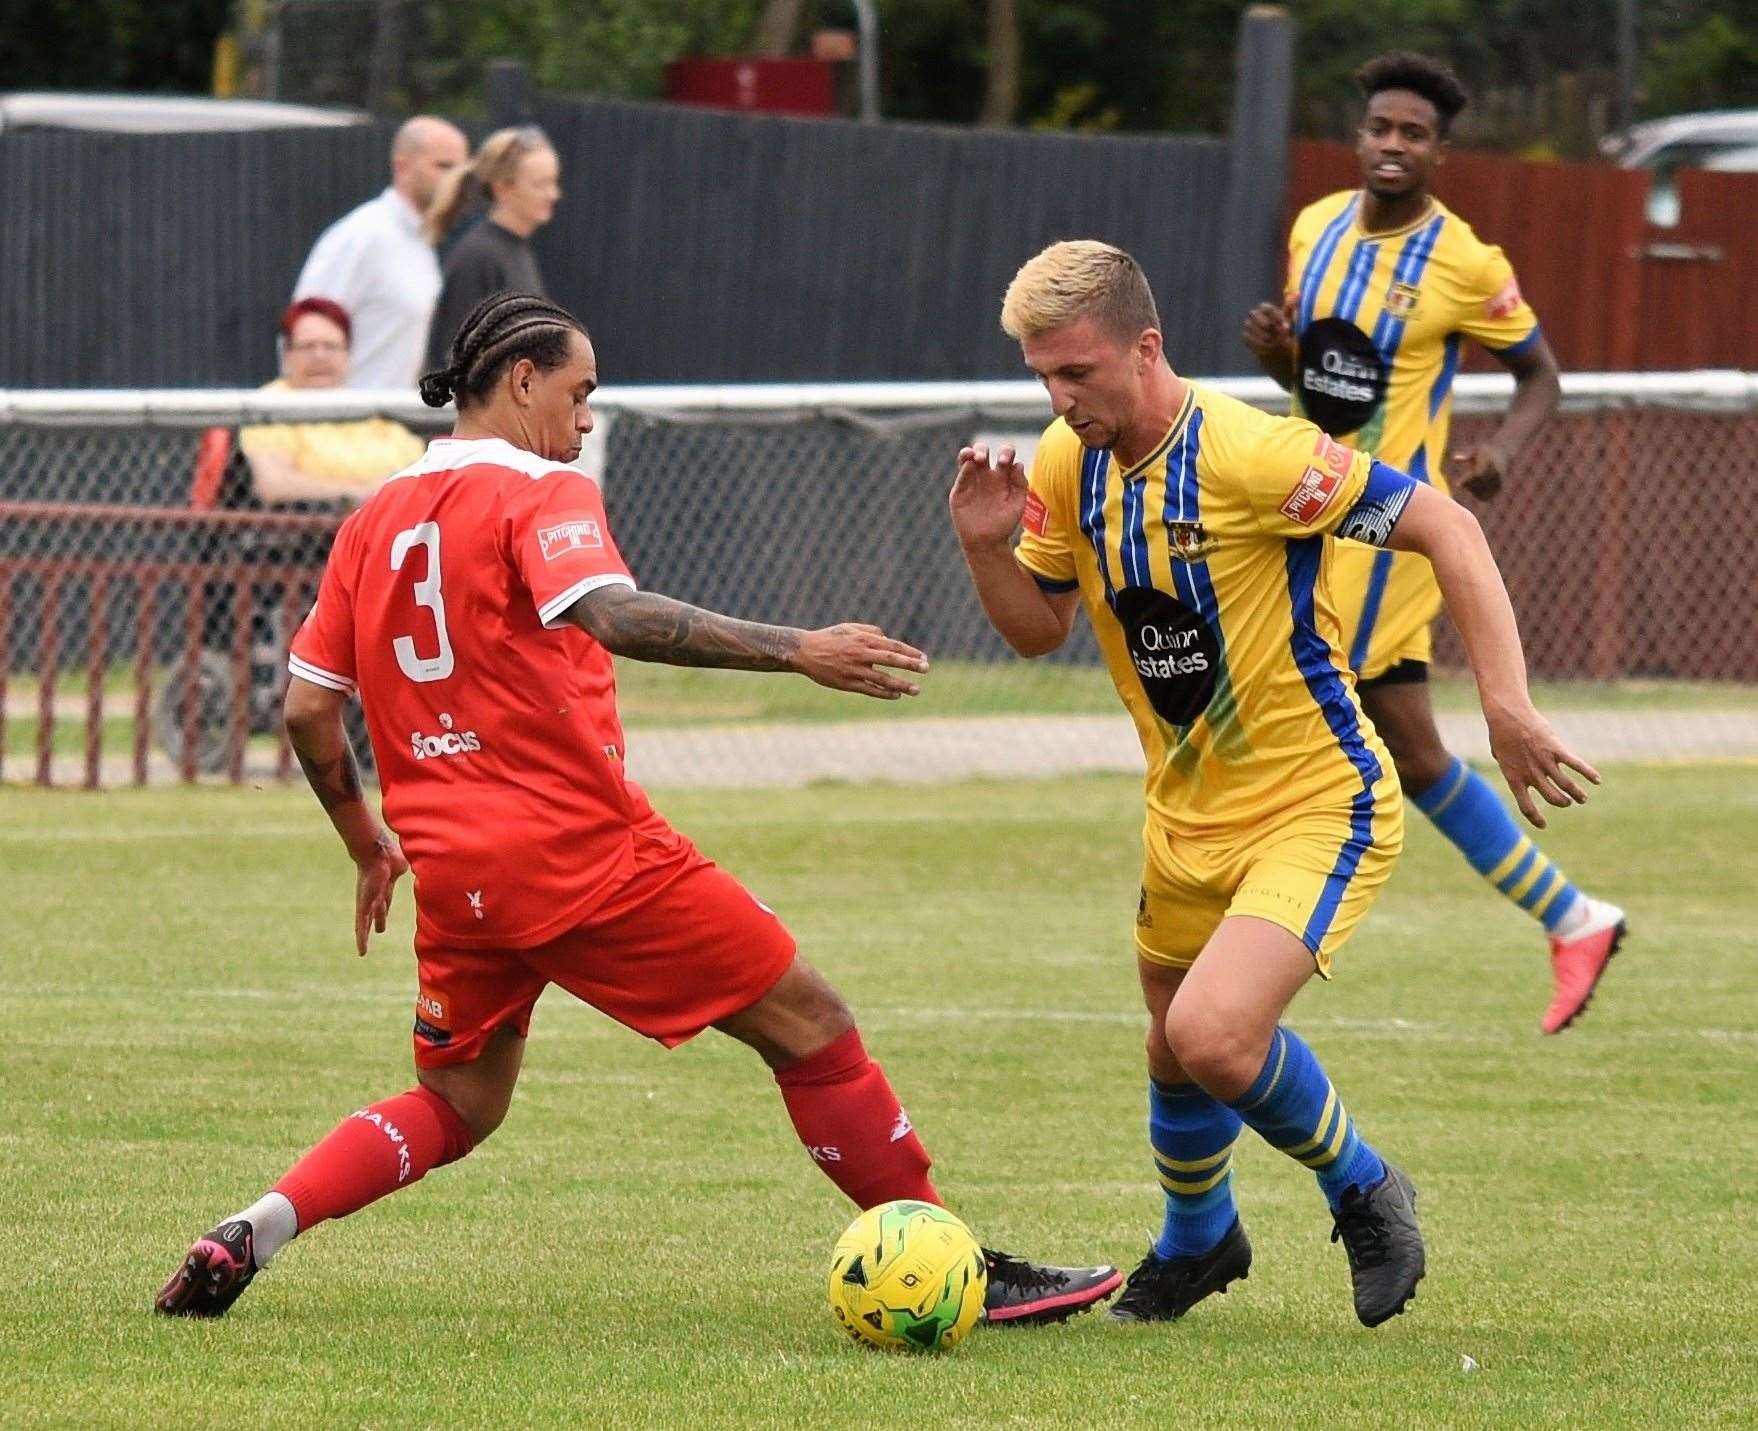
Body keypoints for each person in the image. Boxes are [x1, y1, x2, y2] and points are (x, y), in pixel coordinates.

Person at [156, 292, 1120, 1326]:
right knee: (814, 1026)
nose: (585, 422)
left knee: (455, 1104)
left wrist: (367, 843)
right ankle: (957, 1262)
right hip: (580, 854)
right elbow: (612, 615)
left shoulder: (372, 519)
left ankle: (259, 1224)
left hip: (458, 875)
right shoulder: (540, 492)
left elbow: (307, 711)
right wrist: (799, 648)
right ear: (522, 382)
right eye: (579, 395)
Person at [950, 241, 1599, 1328]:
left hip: (1316, 802)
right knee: (1173, 1044)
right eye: (1041, 379)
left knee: (1211, 1036)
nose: (1059, 401)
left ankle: (1367, 1188)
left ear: (1144, 348)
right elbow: (1036, 630)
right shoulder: (1071, 465)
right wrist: (984, 551)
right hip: (1184, 814)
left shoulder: (1257, 456)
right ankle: (1201, 1242)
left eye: (1077, 373)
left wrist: (1506, 704)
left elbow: (1447, 525)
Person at [1242, 52, 1625, 1035]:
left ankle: (1257, 936)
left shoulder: (1463, 261)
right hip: (1305, 509)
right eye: (1382, 129)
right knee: (1406, 751)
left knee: (1328, 716)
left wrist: (1500, 449)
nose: (1394, 147)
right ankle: (1572, 916)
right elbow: (1317, 372)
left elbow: (1542, 376)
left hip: (1390, 534)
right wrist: (1275, 351)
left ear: (1439, 154)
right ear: (1360, 137)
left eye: (1416, 134)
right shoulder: (1314, 227)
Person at [293, 116, 469, 391]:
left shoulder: (419, 243)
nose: (454, 181)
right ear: (403, 166)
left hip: (390, 426)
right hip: (345, 422)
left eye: (460, 170)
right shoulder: (361, 236)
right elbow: (303, 332)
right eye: (443, 166)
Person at [238, 298, 426, 507]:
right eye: (308, 347)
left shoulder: (365, 405)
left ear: (348, 354)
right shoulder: (270, 406)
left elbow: (417, 466)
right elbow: (274, 484)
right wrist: (359, 494)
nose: (320, 356)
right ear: (287, 354)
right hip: (308, 530)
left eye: (331, 346)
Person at [423, 129, 559, 372]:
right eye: (541, 184)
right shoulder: (479, 255)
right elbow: (456, 355)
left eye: (553, 182)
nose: (553, 194)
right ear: (502, 187)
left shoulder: (516, 250)